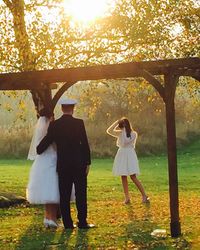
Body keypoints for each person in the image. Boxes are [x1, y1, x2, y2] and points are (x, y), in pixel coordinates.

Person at [37, 98, 95, 229]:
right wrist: (88, 162)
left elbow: (42, 146)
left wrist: (39, 148)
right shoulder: (79, 123)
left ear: (62, 109)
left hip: (63, 165)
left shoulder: (55, 125)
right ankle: (82, 221)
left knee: (64, 194)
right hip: (79, 163)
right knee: (81, 193)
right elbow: (85, 144)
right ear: (73, 108)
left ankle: (68, 223)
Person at [26, 108, 60, 228]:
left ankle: (47, 217)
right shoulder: (51, 130)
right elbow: (46, 147)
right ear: (50, 117)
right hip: (51, 160)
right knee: (53, 190)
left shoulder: (40, 129)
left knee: (46, 191)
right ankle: (51, 218)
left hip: (41, 162)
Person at [106, 117, 149, 204]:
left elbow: (126, 140)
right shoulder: (120, 133)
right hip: (122, 154)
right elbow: (109, 131)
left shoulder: (133, 134)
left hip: (129, 154)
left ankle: (144, 195)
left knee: (133, 176)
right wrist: (117, 122)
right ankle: (127, 198)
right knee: (123, 176)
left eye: (121, 124)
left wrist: (122, 127)